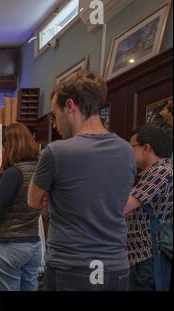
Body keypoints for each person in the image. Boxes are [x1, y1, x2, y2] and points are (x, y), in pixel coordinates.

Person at [28, 70, 136, 291]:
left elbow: (33, 200)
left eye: (54, 114)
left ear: (70, 106)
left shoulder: (57, 152)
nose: (55, 123)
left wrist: (55, 193)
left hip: (71, 266)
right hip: (115, 267)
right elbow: (116, 200)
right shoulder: (127, 150)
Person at [0, 122, 42, 291]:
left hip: (10, 247)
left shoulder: (13, 173)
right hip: (33, 245)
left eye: (1, 145)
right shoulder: (40, 169)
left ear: (8, 145)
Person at [123, 125, 173, 291]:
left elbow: (124, 206)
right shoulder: (158, 171)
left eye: (131, 147)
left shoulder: (162, 172)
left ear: (146, 148)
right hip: (147, 260)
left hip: (149, 259)